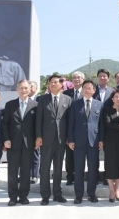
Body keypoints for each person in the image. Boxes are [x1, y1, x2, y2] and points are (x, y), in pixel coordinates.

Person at [35, 75, 71, 205]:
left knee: (58, 168)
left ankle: (57, 194)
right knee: (44, 168)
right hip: (46, 139)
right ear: (48, 85)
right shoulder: (42, 99)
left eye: (56, 82)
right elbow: (38, 119)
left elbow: (69, 121)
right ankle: (45, 195)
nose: (54, 84)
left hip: (61, 139)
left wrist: (69, 137)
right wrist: (38, 136)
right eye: (51, 82)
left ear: (62, 84)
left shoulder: (68, 99)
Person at [1, 80, 37, 206]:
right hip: (13, 143)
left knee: (26, 171)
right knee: (12, 171)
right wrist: (6, 139)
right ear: (17, 89)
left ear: (30, 89)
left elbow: (37, 125)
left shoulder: (35, 105)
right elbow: (5, 124)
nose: (24, 90)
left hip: (28, 143)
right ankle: (12, 197)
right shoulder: (10, 105)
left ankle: (23, 196)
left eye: (26, 88)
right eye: (21, 88)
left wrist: (37, 139)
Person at [68, 80, 105, 204]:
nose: (87, 90)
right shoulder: (75, 104)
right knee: (78, 169)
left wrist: (101, 139)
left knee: (93, 169)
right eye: (85, 88)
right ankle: (78, 195)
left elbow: (101, 125)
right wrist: (71, 140)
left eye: (90, 88)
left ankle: (91, 194)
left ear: (94, 90)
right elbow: (71, 123)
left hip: (93, 141)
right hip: (78, 141)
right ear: (82, 90)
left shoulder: (99, 104)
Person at [63, 71, 84, 185]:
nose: (77, 79)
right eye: (74, 77)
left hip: (82, 128)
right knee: (69, 154)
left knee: (81, 154)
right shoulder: (66, 93)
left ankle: (79, 175)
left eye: (79, 77)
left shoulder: (87, 92)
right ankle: (70, 176)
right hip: (69, 127)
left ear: (83, 80)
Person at [28, 80, 40, 184]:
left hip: (36, 133)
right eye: (28, 86)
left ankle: (34, 175)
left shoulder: (40, 100)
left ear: (36, 89)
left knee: (35, 155)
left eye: (32, 86)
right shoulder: (21, 100)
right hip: (24, 134)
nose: (30, 88)